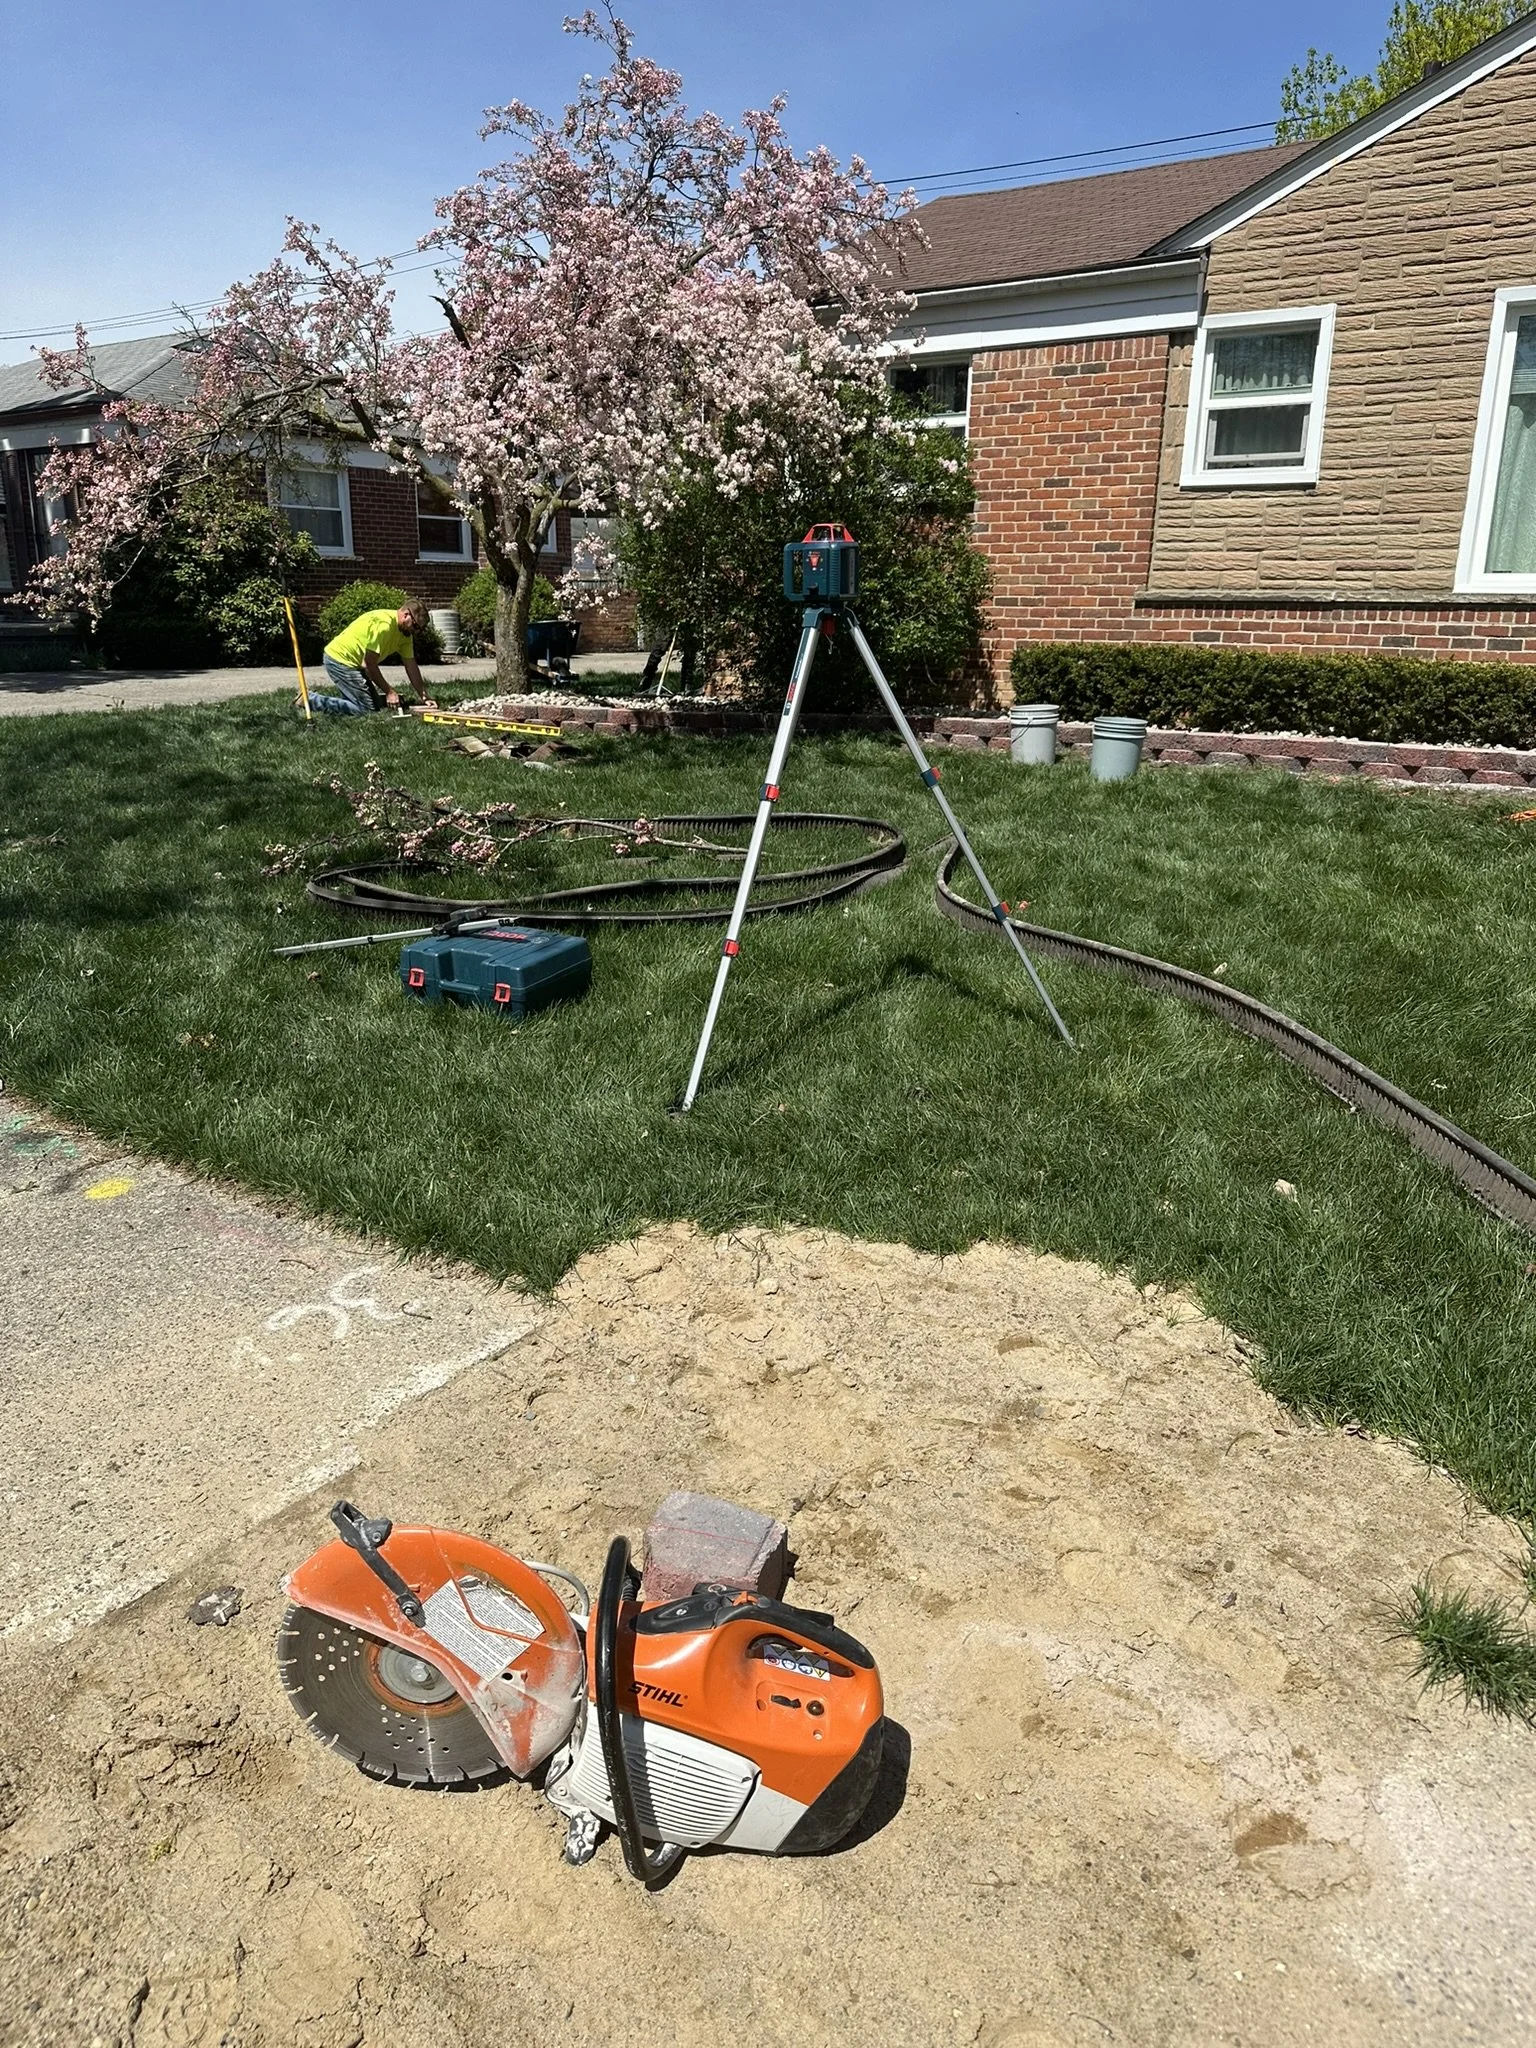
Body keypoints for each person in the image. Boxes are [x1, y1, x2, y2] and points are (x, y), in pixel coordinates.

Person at [311, 599, 430, 715]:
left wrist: (424, 696)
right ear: (406, 615)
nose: (416, 632)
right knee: (365, 709)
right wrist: (389, 692)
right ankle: (311, 700)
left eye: (420, 629)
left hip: (357, 664)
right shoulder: (384, 626)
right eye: (415, 626)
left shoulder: (405, 634)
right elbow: (369, 664)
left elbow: (411, 665)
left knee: (376, 704)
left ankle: (354, 698)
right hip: (340, 660)